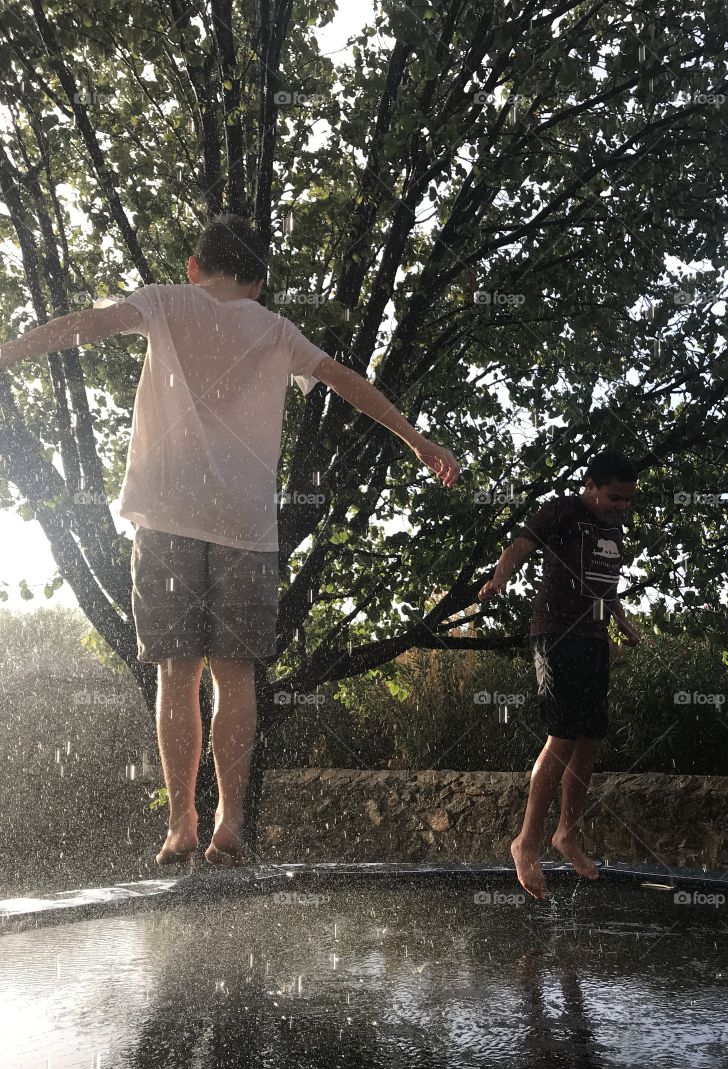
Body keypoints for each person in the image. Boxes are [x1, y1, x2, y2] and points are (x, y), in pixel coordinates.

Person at [0, 212, 460, 868]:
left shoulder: (163, 301)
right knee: (235, 675)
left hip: (165, 519)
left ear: (195, 267)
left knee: (176, 671)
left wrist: (6, 353)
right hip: (245, 528)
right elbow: (346, 383)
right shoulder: (275, 328)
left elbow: (82, 324)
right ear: (259, 282)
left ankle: (182, 818)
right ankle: (232, 821)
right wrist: (417, 439)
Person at [478, 450, 641, 899]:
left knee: (590, 736)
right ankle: (526, 842)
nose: (620, 507)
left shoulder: (613, 527)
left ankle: (566, 833)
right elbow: (516, 549)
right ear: (590, 486)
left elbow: (604, 584)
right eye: (614, 498)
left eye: (628, 501)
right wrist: (500, 578)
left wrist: (622, 621)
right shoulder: (561, 510)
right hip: (555, 634)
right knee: (563, 734)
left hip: (593, 638)